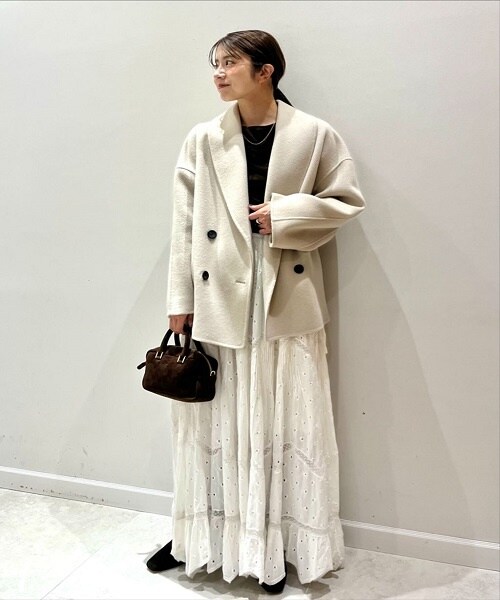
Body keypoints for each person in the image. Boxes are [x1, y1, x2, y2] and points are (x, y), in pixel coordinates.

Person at [146, 30, 366, 594]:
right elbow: (184, 225)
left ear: (266, 71)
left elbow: (346, 201)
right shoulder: (202, 139)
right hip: (218, 300)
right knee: (213, 424)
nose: (218, 74)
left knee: (278, 424)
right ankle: (200, 538)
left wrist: (284, 216)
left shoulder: (314, 135)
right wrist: (179, 301)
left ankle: (271, 547)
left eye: (230, 63)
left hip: (283, 299)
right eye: (215, 64)